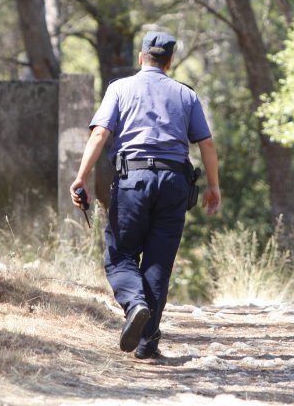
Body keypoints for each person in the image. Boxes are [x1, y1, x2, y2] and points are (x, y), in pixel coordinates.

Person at [70, 31, 221, 359]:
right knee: (158, 262)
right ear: (169, 62)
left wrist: (81, 177)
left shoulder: (120, 88)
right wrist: (213, 186)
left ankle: (135, 304)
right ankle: (147, 341)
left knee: (121, 255)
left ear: (141, 58)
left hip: (132, 180)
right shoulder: (185, 94)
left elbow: (100, 134)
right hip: (174, 183)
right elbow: (206, 143)